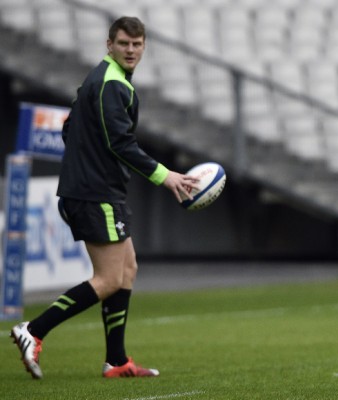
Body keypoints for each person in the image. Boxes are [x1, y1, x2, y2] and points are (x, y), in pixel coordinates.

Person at [11, 16, 200, 379]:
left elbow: (70, 129)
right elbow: (119, 143)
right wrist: (166, 176)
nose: (131, 50)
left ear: (143, 47)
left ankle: (117, 361)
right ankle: (33, 329)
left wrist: (88, 161)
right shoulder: (112, 84)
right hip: (94, 194)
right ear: (109, 44)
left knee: (126, 270)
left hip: (96, 189)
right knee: (110, 278)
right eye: (124, 43)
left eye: (137, 44)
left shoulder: (99, 79)